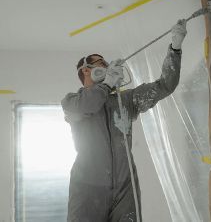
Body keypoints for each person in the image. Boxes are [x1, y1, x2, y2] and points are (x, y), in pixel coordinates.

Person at [61, 19, 187, 222]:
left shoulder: (125, 100)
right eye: (102, 64)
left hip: (124, 187)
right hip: (87, 187)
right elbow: (89, 106)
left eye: (108, 65)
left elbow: (165, 86)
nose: (108, 67)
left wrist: (176, 47)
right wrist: (108, 84)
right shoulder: (72, 102)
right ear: (86, 70)